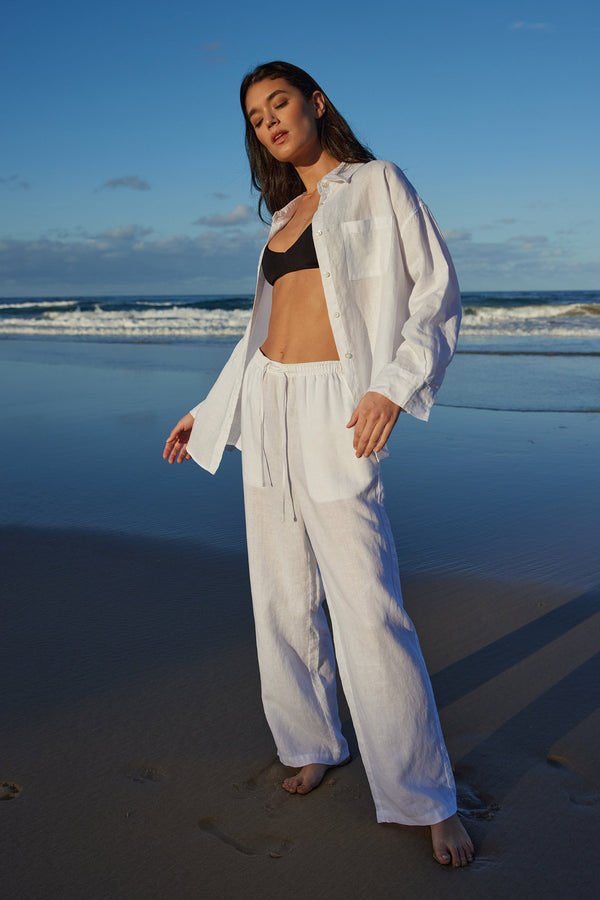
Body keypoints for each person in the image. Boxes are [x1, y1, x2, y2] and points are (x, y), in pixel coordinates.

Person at [163, 61, 474, 867]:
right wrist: (206, 412)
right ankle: (312, 741)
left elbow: (435, 293)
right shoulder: (279, 218)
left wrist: (392, 390)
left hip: (338, 405)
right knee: (280, 592)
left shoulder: (377, 185)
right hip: (265, 406)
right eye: (256, 115)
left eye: (280, 102)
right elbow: (257, 336)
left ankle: (424, 794)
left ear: (315, 103)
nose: (269, 120)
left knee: (368, 602)